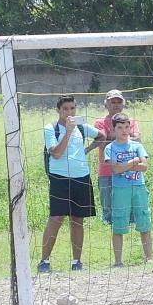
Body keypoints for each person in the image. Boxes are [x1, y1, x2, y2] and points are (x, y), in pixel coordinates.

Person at [38, 95, 105, 273]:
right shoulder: (50, 129)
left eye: (72, 109)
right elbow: (57, 153)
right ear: (58, 110)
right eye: (65, 109)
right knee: (56, 219)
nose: (69, 112)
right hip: (59, 178)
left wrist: (87, 150)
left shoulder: (82, 126)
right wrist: (67, 131)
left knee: (77, 220)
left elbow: (102, 136)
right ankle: (44, 261)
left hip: (81, 177)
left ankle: (77, 262)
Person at [105, 112, 153, 267]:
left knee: (144, 221)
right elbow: (115, 169)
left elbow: (144, 167)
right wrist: (132, 161)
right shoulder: (110, 148)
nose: (124, 131)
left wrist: (124, 166)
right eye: (120, 127)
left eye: (127, 127)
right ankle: (118, 261)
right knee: (119, 223)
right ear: (114, 129)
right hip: (120, 189)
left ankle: (149, 258)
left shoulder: (137, 145)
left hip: (139, 187)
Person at [89, 89, 140, 226]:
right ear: (106, 104)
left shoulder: (132, 121)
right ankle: (108, 230)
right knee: (108, 206)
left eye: (119, 102)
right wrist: (124, 136)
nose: (116, 105)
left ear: (123, 104)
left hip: (129, 170)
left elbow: (137, 139)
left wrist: (111, 136)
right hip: (107, 171)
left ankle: (130, 229)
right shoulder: (100, 123)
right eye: (113, 102)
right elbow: (101, 142)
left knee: (130, 204)